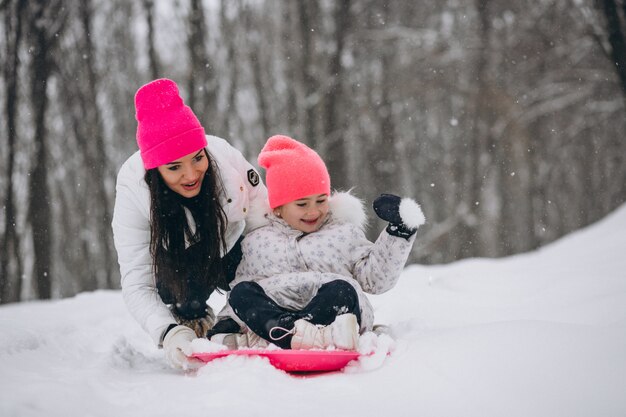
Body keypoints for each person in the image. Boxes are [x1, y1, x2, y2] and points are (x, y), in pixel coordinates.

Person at [211, 135, 425, 351]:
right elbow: (245, 284)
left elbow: (376, 279)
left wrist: (398, 232)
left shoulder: (342, 232)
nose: (313, 211)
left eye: (321, 200)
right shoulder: (256, 241)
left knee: (342, 291)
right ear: (277, 207)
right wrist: (228, 321)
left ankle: (294, 335)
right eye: (302, 204)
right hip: (276, 314)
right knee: (243, 293)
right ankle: (295, 333)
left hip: (331, 312)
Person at [111, 78, 267, 370]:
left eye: (197, 158)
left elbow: (266, 223)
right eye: (174, 167)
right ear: (155, 169)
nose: (191, 174)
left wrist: (268, 294)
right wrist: (168, 332)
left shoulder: (224, 158)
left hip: (230, 241)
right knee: (179, 295)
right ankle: (190, 312)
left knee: (262, 272)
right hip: (179, 259)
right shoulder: (133, 190)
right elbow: (137, 282)